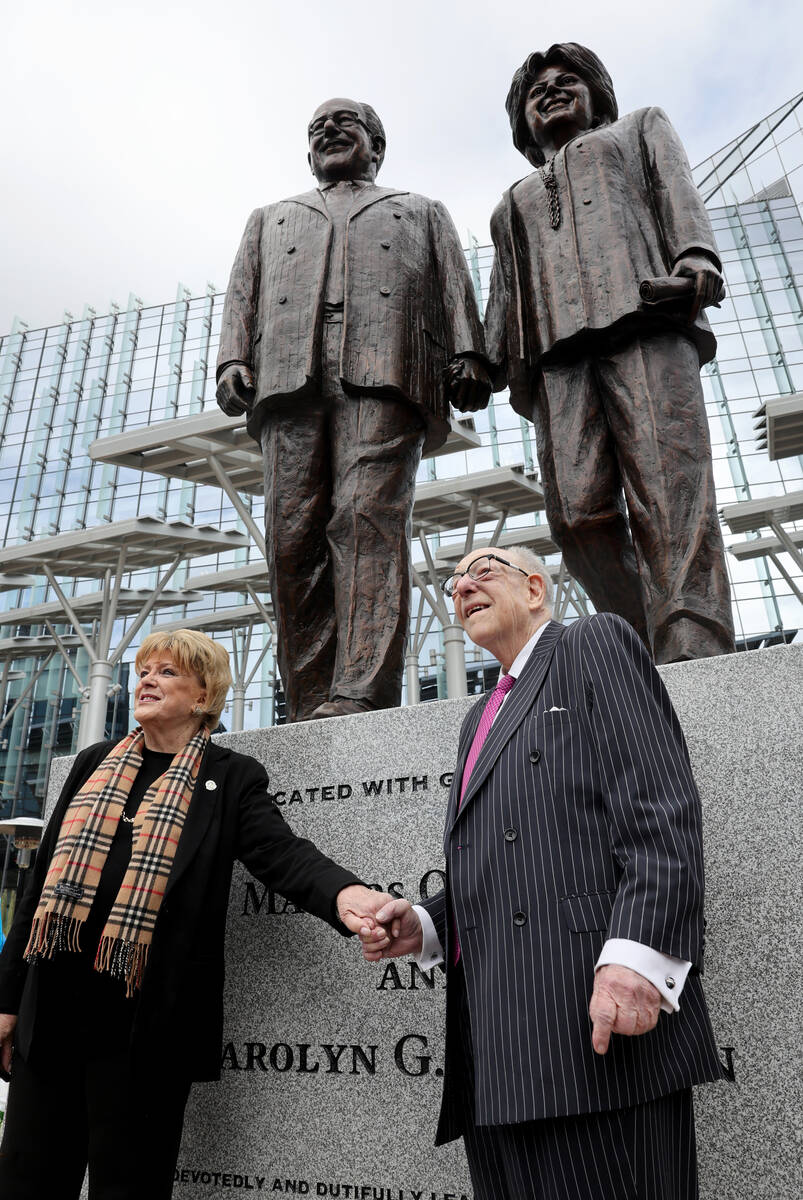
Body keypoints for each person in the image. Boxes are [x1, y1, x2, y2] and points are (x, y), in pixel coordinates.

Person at [361, 546, 725, 1198]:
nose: (461, 586)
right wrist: (423, 924)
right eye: (452, 582)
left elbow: (660, 810)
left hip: (594, 1036)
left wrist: (638, 960)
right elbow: (518, 855)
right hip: (494, 1056)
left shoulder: (593, 643)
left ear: (534, 587)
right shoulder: (479, 715)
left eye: (483, 569)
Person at [0, 629, 395, 1199]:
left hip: (143, 1033)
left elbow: (281, 854)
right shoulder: (93, 764)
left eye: (168, 672)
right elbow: (37, 892)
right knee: (24, 1186)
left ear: (204, 696)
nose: (146, 679)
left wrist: (345, 896)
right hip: (51, 1019)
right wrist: (1, 1004)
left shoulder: (229, 778)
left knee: (128, 1187)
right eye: (144, 669)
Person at [216, 98, 490, 722]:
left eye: (346, 124)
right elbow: (242, 292)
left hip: (385, 370)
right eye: (317, 129)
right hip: (289, 378)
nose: (329, 132)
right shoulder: (271, 217)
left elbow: (453, 282)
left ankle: (362, 691)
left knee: (367, 520)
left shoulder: (419, 210)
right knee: (291, 541)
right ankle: (311, 696)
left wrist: (470, 352)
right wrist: (232, 360)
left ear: (377, 146)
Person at [482, 43, 735, 664]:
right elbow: (502, 296)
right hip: (557, 359)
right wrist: (479, 362)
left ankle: (692, 642)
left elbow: (676, 191)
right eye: (536, 90)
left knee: (670, 491)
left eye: (568, 81)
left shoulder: (639, 127)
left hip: (645, 325)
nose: (552, 91)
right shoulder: (511, 201)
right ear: (522, 121)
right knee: (577, 515)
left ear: (598, 94)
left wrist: (696, 256)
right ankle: (640, 641)